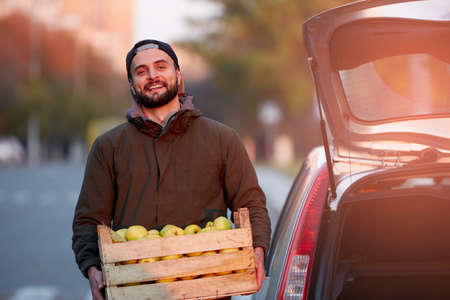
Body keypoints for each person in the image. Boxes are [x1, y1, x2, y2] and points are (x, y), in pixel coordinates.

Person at [72, 39, 271, 300]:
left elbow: (251, 203)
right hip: (135, 290)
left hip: (209, 287)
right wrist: (92, 268)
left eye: (161, 66)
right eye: (141, 71)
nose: (152, 75)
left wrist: (257, 250)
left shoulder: (222, 138)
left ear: (178, 75)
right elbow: (89, 219)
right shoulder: (108, 147)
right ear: (132, 84)